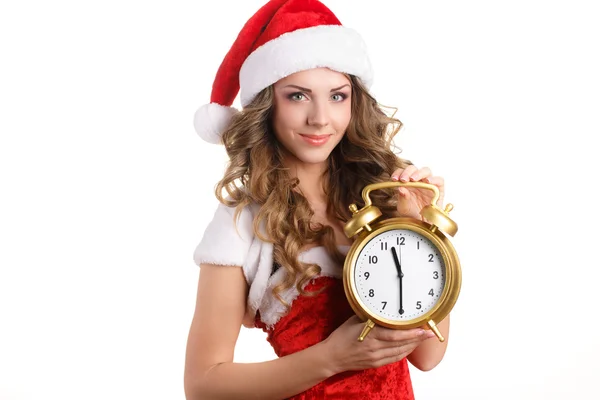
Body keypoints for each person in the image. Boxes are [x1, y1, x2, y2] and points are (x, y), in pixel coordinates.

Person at [184, 1, 450, 398]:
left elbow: (428, 354)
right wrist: (332, 358)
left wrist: (421, 231)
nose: (321, 118)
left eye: (338, 96)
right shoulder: (242, 222)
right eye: (298, 96)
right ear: (267, 105)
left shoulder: (383, 196)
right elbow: (203, 386)